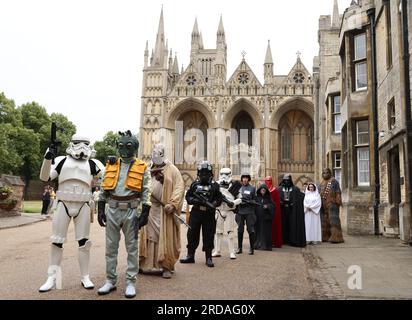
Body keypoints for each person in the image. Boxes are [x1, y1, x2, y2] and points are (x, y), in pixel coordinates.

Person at [38, 134, 105, 292]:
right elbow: (45, 177)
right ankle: (51, 277)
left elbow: (109, 177)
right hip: (63, 202)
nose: (81, 146)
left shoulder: (94, 163)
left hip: (83, 204)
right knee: (57, 241)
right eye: (77, 143)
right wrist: (48, 157)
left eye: (85, 143)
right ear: (71, 144)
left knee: (84, 243)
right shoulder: (61, 160)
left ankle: (85, 276)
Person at [97, 131, 152, 298]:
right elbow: (103, 188)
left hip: (132, 211)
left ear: (134, 147)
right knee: (110, 248)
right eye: (120, 146)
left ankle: (130, 282)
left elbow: (146, 191)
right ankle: (110, 280)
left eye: (128, 146)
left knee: (132, 248)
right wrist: (101, 208)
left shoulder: (142, 167)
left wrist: (145, 212)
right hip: (112, 209)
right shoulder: (111, 165)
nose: (124, 149)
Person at [139, 144, 185, 279]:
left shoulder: (172, 169)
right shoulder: (147, 168)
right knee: (149, 236)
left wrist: (173, 203)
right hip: (149, 209)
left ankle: (165, 266)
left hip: (165, 210)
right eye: (153, 152)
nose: (155, 154)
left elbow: (179, 187)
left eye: (158, 153)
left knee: (164, 236)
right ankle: (145, 265)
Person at [180, 161, 223, 268]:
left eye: (206, 173)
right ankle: (190, 256)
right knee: (192, 233)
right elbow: (188, 197)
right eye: (202, 173)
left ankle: (208, 257)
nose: (204, 175)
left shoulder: (214, 186)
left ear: (210, 174)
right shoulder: (195, 184)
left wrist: (213, 203)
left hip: (209, 213)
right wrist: (195, 200)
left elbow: (219, 198)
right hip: (196, 212)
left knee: (208, 234)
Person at [212, 168, 242, 260]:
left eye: (226, 174)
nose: (224, 176)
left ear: (230, 174)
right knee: (218, 232)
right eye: (222, 174)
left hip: (229, 211)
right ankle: (217, 250)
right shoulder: (216, 184)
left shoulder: (234, 185)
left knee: (230, 232)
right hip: (219, 209)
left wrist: (233, 203)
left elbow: (240, 198)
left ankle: (232, 252)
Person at [279, 174, 306, 247]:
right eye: (285, 180)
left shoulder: (295, 189)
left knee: (292, 225)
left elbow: (300, 198)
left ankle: (292, 240)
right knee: (283, 225)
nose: (286, 182)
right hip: (282, 210)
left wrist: (293, 203)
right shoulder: (279, 189)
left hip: (292, 211)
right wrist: (280, 202)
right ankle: (283, 239)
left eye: (288, 180)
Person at [320, 168, 344, 243]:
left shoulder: (334, 182)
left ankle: (336, 237)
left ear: (330, 173)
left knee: (333, 220)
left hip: (332, 204)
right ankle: (325, 236)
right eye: (323, 173)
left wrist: (338, 201)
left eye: (327, 173)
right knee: (324, 221)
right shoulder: (321, 183)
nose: (325, 174)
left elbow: (338, 191)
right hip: (323, 204)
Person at [236, 173, 257, 255]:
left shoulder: (252, 188)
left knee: (251, 230)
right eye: (243, 178)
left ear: (248, 179)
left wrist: (251, 202)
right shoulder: (239, 188)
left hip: (249, 211)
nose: (245, 179)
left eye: (246, 178)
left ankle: (252, 249)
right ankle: (239, 248)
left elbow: (255, 200)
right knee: (240, 229)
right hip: (240, 212)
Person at [254, 184, 275, 251]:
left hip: (266, 219)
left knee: (265, 232)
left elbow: (273, 206)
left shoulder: (269, 198)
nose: (263, 191)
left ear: (266, 191)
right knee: (258, 232)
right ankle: (257, 245)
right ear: (259, 190)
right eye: (262, 190)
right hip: (258, 218)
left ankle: (265, 246)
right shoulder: (256, 198)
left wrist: (268, 206)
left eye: (264, 190)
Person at [264, 176, 282, 248]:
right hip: (264, 211)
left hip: (272, 211)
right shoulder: (263, 190)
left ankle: (274, 242)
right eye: (267, 181)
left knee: (274, 226)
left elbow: (276, 203)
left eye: (269, 181)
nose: (268, 182)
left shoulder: (275, 190)